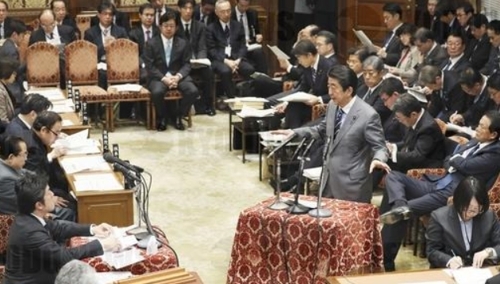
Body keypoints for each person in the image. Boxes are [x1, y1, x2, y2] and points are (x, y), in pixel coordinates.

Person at [380, 111, 500, 271]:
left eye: (482, 127)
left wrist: (456, 160)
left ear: (493, 135)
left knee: (401, 213)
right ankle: (400, 207)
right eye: (478, 124)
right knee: (394, 177)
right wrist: (456, 161)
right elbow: (449, 159)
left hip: (454, 194)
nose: (476, 129)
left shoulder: (495, 153)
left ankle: (386, 262)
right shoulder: (475, 142)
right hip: (438, 183)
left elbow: (465, 165)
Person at [273, 65, 389, 203]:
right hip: (328, 180)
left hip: (352, 185)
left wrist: (378, 160)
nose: (329, 91)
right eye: (328, 86)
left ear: (349, 90)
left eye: (334, 87)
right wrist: (293, 132)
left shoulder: (368, 115)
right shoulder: (333, 106)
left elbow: (380, 147)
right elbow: (321, 130)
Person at [4, 172, 121, 284]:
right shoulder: (30, 231)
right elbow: (63, 257)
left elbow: (59, 228)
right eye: (48, 192)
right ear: (39, 205)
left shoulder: (30, 216)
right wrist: (101, 244)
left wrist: (92, 229)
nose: (52, 194)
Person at [426, 176, 500, 269]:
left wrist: (488, 252)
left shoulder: (488, 215)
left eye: (475, 210)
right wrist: (449, 260)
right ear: (458, 201)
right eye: (466, 208)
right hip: (452, 271)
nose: (470, 214)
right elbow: (432, 251)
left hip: (480, 270)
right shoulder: (438, 217)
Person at [143, 11, 198, 131]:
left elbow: (187, 64)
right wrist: (164, 78)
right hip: (159, 77)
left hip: (178, 76)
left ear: (176, 27)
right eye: (166, 26)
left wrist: (177, 77)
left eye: (172, 26)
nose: (168, 29)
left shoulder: (183, 43)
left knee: (192, 90)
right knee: (157, 92)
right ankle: (163, 118)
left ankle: (179, 116)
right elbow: (149, 66)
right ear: (160, 26)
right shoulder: (151, 44)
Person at [25, 111, 75, 221]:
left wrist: (58, 136)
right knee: (71, 205)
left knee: (68, 193)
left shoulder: (34, 136)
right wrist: (49, 197)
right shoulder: (32, 148)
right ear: (43, 130)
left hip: (48, 186)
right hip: (38, 194)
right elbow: (34, 177)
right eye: (56, 133)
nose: (57, 136)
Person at [205, 0, 255, 99]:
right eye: (223, 11)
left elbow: (243, 45)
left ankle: (245, 96)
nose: (226, 14)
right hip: (220, 60)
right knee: (225, 71)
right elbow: (212, 50)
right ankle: (231, 98)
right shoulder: (210, 28)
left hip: (236, 58)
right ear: (216, 12)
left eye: (228, 11)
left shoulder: (237, 25)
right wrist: (226, 61)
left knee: (250, 69)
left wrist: (238, 59)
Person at [176, 0, 216, 116]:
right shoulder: (175, 26)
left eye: (190, 8)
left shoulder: (200, 26)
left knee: (209, 72)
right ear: (179, 9)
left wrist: (200, 60)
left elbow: (202, 47)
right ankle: (187, 106)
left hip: (196, 62)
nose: (188, 11)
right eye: (185, 8)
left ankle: (208, 105)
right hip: (181, 63)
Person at [231, 0, 267, 74]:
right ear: (236, 2)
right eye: (242, 6)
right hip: (237, 47)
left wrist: (258, 35)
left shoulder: (252, 13)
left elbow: (257, 31)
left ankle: (264, 79)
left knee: (259, 53)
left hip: (250, 45)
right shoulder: (230, 14)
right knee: (248, 66)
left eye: (246, 6)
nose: (244, 8)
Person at [0, 19, 27, 104]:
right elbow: (14, 70)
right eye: (22, 36)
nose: (23, 39)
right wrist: (28, 63)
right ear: (15, 34)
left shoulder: (8, 45)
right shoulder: (10, 49)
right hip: (12, 88)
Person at [0, 136, 28, 215]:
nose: (26, 158)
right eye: (24, 154)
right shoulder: (4, 178)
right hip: (20, 217)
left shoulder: (6, 163)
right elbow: (22, 204)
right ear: (11, 157)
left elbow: (24, 172)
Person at [0, 57, 18, 124]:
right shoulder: (0, 92)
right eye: (13, 73)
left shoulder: (4, 86)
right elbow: (3, 120)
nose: (15, 76)